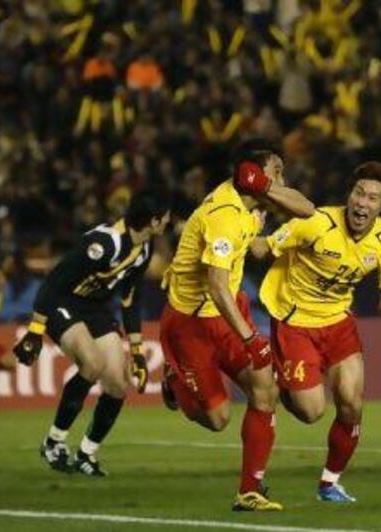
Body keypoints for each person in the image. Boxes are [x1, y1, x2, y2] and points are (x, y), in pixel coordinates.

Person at [249, 161, 381, 503]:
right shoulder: (315, 223)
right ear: (349, 194)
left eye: (372, 198)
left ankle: (329, 483)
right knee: (311, 411)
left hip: (339, 323)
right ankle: (287, 387)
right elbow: (261, 249)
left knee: (352, 404)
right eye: (359, 193)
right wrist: (242, 228)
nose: (362, 203)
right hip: (295, 322)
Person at [159, 139, 315, 512]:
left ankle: (250, 490)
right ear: (256, 174)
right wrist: (250, 337)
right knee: (217, 419)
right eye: (277, 172)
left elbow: (307, 210)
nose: (282, 180)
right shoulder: (226, 215)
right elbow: (214, 285)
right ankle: (174, 381)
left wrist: (264, 186)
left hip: (229, 311)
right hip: (192, 323)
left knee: (265, 389)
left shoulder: (251, 203)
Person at [13, 189, 171, 476]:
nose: (169, 222)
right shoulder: (104, 244)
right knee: (93, 363)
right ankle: (54, 441)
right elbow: (53, 281)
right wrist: (35, 331)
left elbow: (129, 299)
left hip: (94, 308)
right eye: (166, 218)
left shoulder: (144, 249)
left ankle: (86, 454)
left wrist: (136, 351)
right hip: (62, 301)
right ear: (154, 221)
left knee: (118, 385)